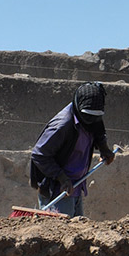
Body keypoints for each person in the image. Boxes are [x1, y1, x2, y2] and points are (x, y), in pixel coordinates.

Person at [29, 82, 116, 217]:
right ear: (79, 106)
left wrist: (104, 148)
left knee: (75, 232)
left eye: (96, 117)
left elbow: (97, 128)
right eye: (88, 116)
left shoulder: (92, 115)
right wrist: (62, 178)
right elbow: (39, 155)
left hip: (75, 186)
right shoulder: (62, 125)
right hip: (58, 191)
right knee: (58, 234)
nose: (91, 120)